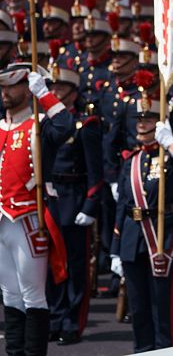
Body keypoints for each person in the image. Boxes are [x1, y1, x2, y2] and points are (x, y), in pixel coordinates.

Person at [110, 95, 173, 352]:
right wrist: (115, 248)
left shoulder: (171, 158)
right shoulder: (132, 160)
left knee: (163, 309)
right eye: (139, 119)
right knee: (139, 308)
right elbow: (122, 205)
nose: (141, 124)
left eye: (148, 119)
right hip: (131, 239)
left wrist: (170, 145)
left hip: (162, 237)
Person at [0, 63, 74, 356]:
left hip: (28, 218)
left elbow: (66, 127)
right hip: (2, 218)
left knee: (33, 295)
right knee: (9, 294)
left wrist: (44, 94)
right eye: (3, 86)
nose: (6, 92)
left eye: (13, 86)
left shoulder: (39, 124)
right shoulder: (1, 125)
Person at [45, 61, 103, 346]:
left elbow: (95, 169)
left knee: (76, 266)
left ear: (73, 92)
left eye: (60, 87)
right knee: (51, 263)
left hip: (75, 196)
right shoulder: (44, 122)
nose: (54, 91)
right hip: (50, 198)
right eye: (51, 86)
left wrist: (90, 204)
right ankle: (55, 317)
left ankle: (72, 322)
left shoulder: (85, 124)